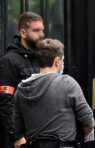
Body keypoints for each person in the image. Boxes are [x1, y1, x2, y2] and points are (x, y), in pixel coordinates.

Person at [14, 38, 95, 148]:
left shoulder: (21, 88)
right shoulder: (67, 83)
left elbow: (17, 128)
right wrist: (87, 137)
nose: (63, 63)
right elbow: (87, 120)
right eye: (63, 60)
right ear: (57, 61)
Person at [0, 12, 44, 148]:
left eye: (42, 30)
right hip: (21, 136)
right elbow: (5, 101)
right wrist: (16, 136)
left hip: (41, 132)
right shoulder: (9, 61)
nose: (41, 34)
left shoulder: (41, 58)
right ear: (23, 33)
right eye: (36, 30)